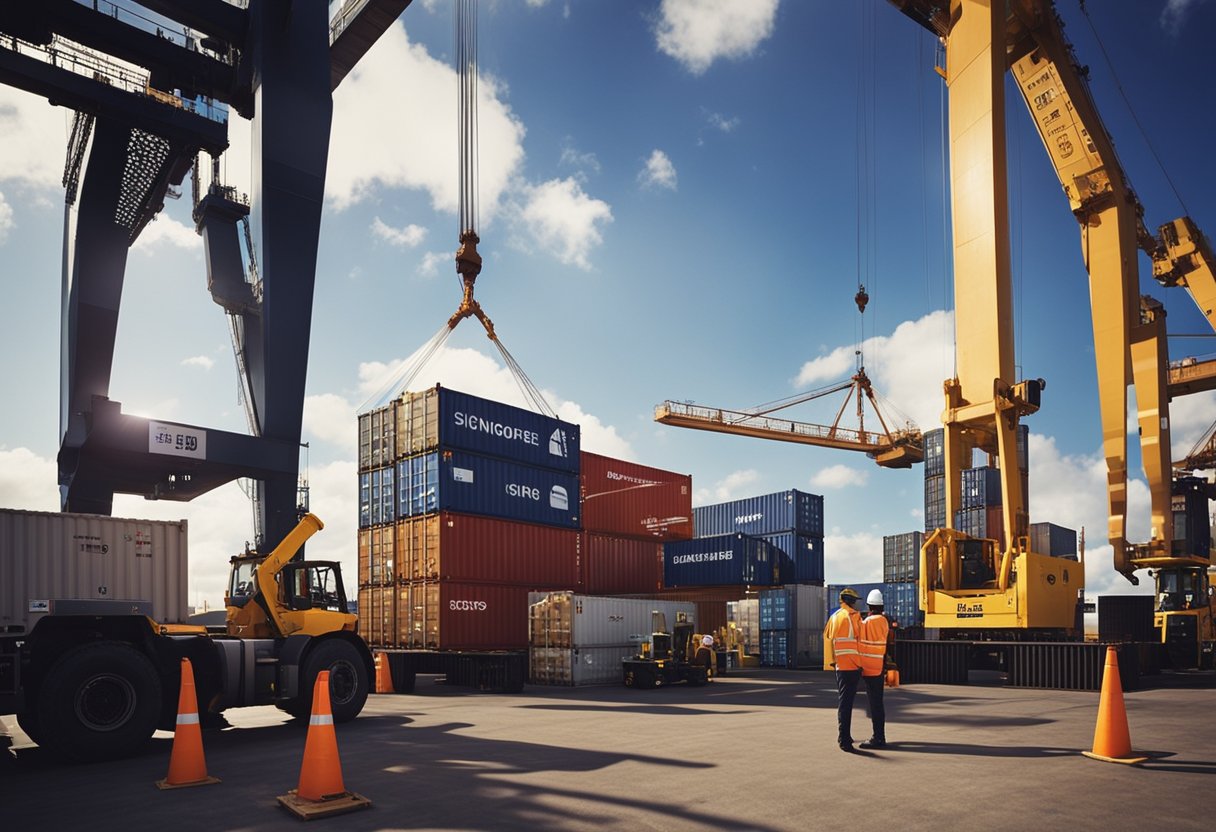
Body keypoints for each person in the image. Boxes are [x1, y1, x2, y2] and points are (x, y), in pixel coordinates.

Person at [823, 587, 863, 752]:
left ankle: (845, 735)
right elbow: (862, 641)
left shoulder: (834, 617)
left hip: (840, 666)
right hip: (852, 666)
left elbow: (827, 639)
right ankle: (844, 739)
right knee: (847, 703)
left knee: (844, 702)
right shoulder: (854, 616)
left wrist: (831, 663)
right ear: (851, 601)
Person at [858, 589, 891, 749]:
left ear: (869, 605)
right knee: (878, 704)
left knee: (874, 705)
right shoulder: (884, 621)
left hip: (867, 669)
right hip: (879, 668)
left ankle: (878, 738)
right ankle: (880, 735)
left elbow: (858, 636)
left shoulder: (867, 622)